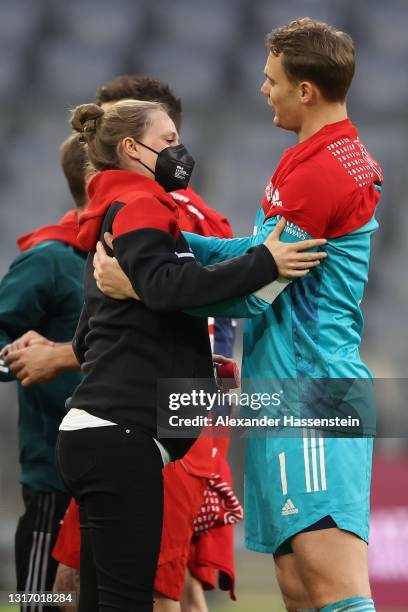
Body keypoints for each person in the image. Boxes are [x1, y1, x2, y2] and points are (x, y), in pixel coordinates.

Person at [92, 18, 383, 612]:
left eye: (270, 78)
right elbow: (257, 259)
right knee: (301, 588)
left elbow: (254, 292)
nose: (262, 88)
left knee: (335, 586)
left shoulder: (322, 172)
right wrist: (170, 241)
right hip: (286, 388)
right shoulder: (310, 159)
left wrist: (144, 284)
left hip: (315, 391)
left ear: (305, 90)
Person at [53, 99, 326, 612]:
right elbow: (167, 286)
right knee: (127, 602)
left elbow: (93, 338)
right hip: (122, 437)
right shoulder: (141, 207)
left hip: (97, 435)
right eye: (169, 137)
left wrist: (193, 365)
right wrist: (266, 262)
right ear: (132, 149)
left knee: (99, 601)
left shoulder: (112, 214)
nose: (179, 150)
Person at [0, 134, 89, 610]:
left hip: (124, 471)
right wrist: (21, 359)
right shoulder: (48, 260)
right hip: (55, 478)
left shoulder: (136, 256)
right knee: (41, 602)